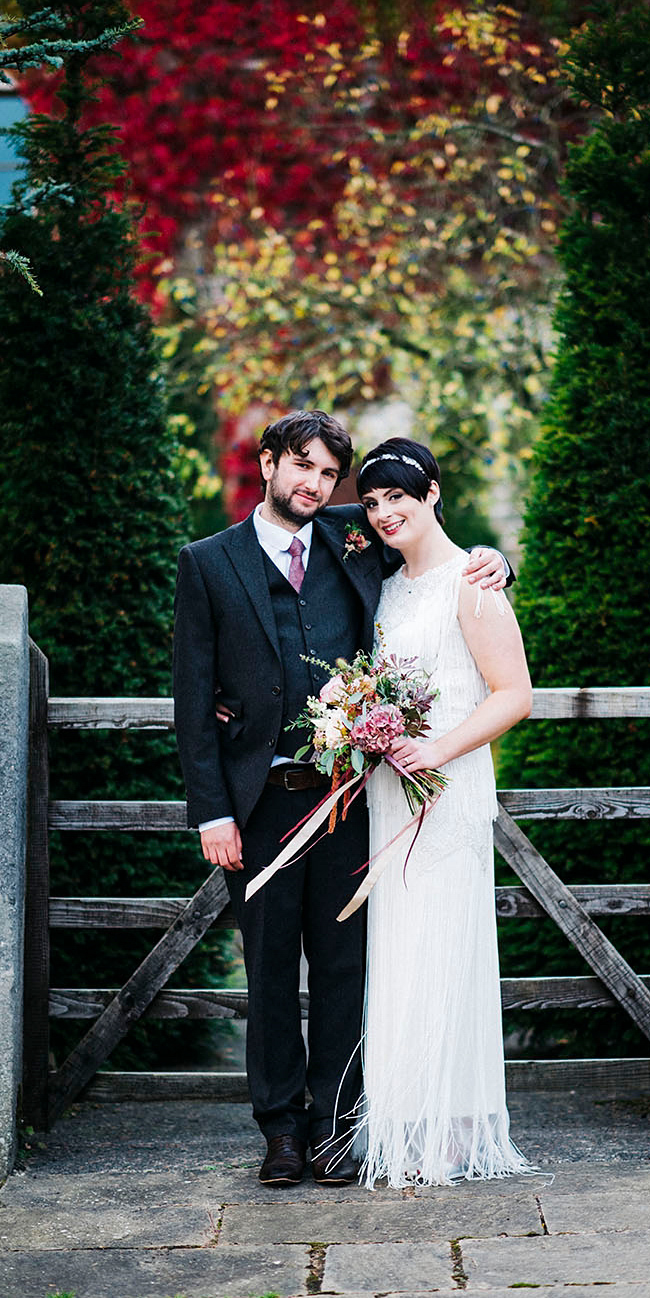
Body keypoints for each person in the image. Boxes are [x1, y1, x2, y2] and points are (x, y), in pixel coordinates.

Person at [172, 411, 508, 1188]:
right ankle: (280, 1132)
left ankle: (332, 1127)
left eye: (328, 475)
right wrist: (211, 813)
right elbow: (192, 699)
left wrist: (494, 563)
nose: (315, 486)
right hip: (257, 810)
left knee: (343, 969)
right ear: (267, 463)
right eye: (302, 468)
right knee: (267, 970)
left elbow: (424, 529)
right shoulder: (207, 562)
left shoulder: (353, 538)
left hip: (353, 802)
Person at [351, 437, 533, 1187]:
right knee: (396, 949)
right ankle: (402, 1120)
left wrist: (440, 750)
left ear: (432, 493)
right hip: (389, 793)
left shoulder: (475, 580)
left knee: (445, 947)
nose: (385, 512)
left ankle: (453, 1131)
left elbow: (515, 694)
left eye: (399, 495)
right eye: (371, 502)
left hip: (447, 791)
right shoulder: (383, 585)